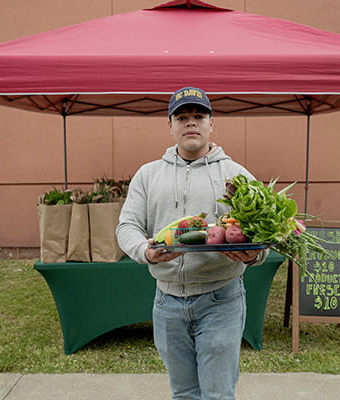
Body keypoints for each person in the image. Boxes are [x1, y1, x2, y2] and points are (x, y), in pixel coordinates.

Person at [116, 86, 267, 400]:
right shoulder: (148, 175)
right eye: (182, 117)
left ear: (212, 123)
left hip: (221, 300)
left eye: (199, 116)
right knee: (183, 394)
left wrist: (254, 255)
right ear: (170, 125)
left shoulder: (236, 176)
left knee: (217, 395)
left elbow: (262, 233)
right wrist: (144, 251)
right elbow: (127, 226)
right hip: (167, 302)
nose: (191, 123)